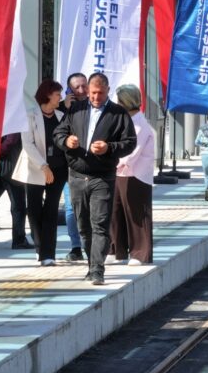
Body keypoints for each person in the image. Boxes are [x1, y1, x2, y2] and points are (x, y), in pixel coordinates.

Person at [53, 73, 137, 285]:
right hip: (77, 176)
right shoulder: (76, 109)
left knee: (99, 224)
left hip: (102, 177)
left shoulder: (118, 113)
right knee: (83, 225)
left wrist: (109, 147)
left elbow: (130, 142)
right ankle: (91, 264)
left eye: (100, 93)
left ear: (108, 90)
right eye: (93, 93)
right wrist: (66, 141)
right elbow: (58, 133)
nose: (96, 97)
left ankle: (98, 269)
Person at [12, 80, 68, 267]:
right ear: (48, 95)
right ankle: (39, 248)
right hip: (36, 169)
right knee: (34, 209)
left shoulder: (61, 116)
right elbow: (28, 144)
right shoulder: (30, 115)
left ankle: (48, 253)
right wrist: (44, 166)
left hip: (58, 170)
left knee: (51, 210)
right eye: (57, 94)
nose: (60, 98)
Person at [106, 84, 155, 266]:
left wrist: (112, 162)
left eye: (119, 101)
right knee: (115, 211)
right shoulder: (125, 120)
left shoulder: (140, 124)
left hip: (136, 175)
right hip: (119, 173)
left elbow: (131, 153)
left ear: (126, 102)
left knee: (136, 213)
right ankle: (115, 249)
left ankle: (140, 253)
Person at [60, 72, 88, 262]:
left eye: (84, 86)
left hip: (91, 164)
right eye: (76, 87)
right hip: (69, 166)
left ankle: (93, 245)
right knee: (71, 206)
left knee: (93, 206)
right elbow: (57, 134)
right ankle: (76, 246)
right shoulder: (62, 109)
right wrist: (66, 108)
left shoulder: (95, 105)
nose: (81, 90)